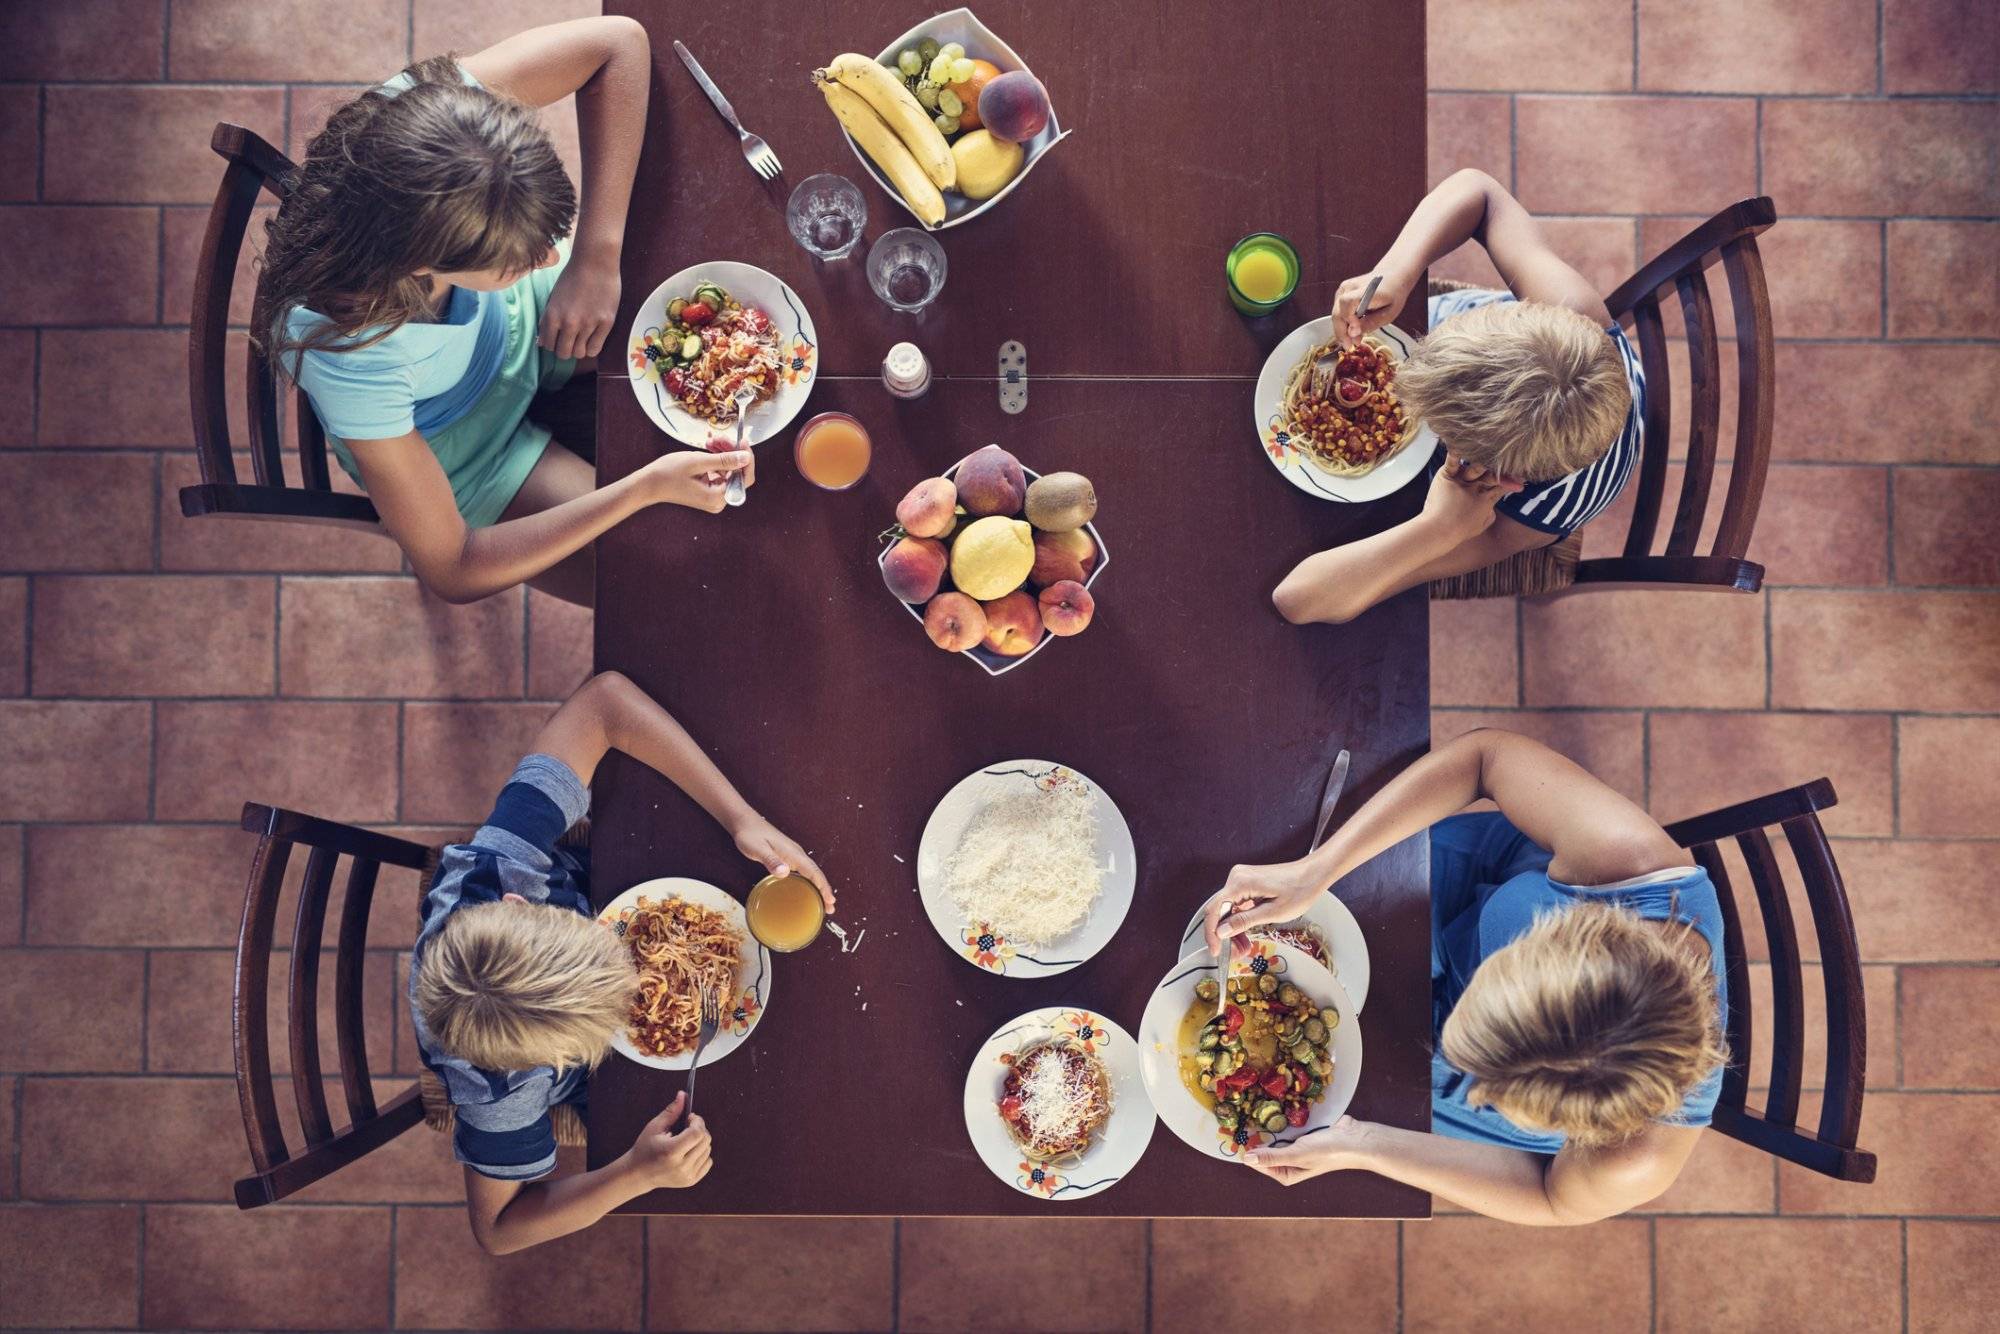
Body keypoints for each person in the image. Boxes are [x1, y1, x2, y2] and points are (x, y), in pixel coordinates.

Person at [253, 18, 752, 607]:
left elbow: (619, 43)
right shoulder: (348, 352)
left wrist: (595, 254)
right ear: (420, 264)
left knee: (730, 332)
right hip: (467, 447)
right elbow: (455, 567)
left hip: (521, 326)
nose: (547, 258)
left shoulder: (433, 123)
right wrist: (641, 489)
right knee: (669, 587)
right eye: (517, 259)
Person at [1203, 729, 1728, 1225]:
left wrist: (1363, 1145)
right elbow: (1486, 759)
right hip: (1461, 897)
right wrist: (1316, 871)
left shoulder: (1641, 1156)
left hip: (1460, 1074)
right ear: (1567, 932)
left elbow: (1552, 1198)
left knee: (1329, 1093)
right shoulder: (1624, 862)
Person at [409, 670, 833, 1254]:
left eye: (599, 947)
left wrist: (742, 820)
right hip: (627, 1085)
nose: (641, 978)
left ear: (520, 904)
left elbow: (603, 704)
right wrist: (633, 1175)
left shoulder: (493, 873)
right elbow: (499, 1231)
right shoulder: (497, 1092)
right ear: (554, 1058)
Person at [1271, 168, 1645, 625]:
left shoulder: (1530, 513)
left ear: (1500, 473)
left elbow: (1297, 600)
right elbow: (1481, 193)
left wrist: (1438, 529)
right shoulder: (1574, 314)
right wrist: (1399, 272)